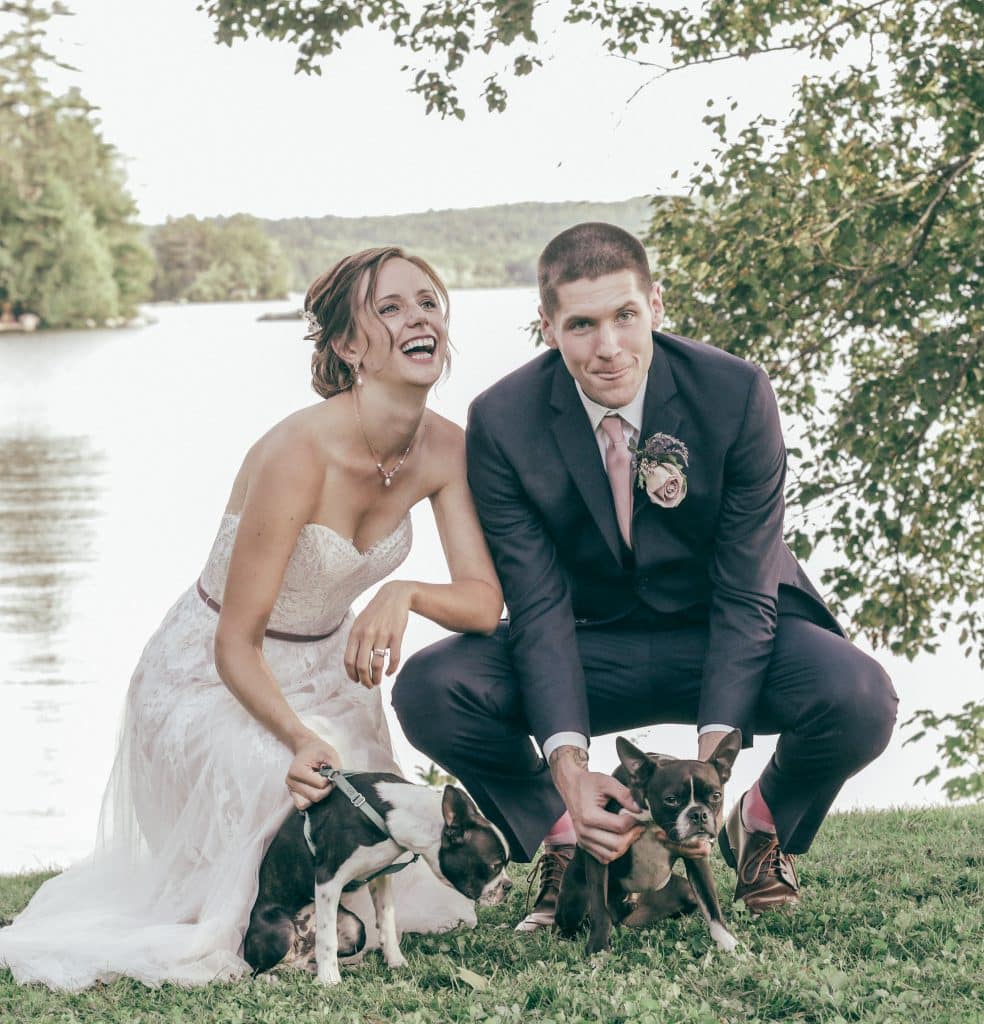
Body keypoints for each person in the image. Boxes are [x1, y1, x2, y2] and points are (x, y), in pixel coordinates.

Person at [0, 247, 503, 989]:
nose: (417, 318)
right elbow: (235, 642)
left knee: (378, 823)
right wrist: (298, 739)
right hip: (213, 677)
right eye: (389, 308)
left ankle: (329, 916)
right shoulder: (297, 453)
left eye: (427, 302)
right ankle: (287, 916)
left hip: (328, 676)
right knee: (293, 787)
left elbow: (484, 602)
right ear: (348, 346)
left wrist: (405, 594)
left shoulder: (447, 449)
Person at [393, 222, 898, 931]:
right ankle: (566, 839)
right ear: (548, 328)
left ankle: (757, 825)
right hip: (591, 643)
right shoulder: (503, 421)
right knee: (432, 688)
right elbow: (537, 606)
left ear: (655, 305)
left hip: (725, 632)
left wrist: (710, 774)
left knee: (860, 695)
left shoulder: (736, 393)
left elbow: (747, 590)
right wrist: (570, 774)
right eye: (582, 324)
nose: (608, 347)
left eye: (625, 316)